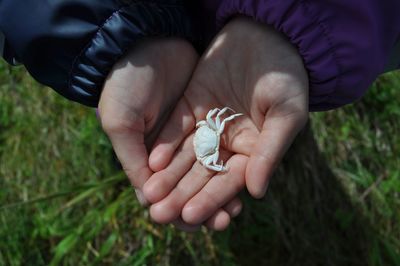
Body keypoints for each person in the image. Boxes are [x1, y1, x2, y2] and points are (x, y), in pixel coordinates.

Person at [1, 0, 399, 231]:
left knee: (244, 120)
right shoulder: (209, 127)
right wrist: (115, 41)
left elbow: (217, 122)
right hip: (159, 40)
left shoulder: (212, 123)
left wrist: (306, 20)